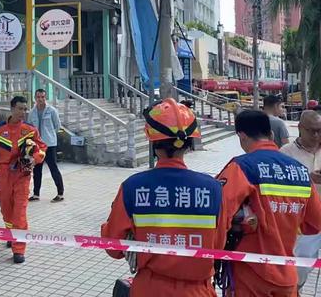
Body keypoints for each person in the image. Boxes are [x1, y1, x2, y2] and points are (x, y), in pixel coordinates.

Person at [101, 98, 227, 297]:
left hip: (149, 289)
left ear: (153, 142)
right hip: (198, 290)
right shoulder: (213, 189)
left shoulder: (133, 187)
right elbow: (218, 245)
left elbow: (113, 248)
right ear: (188, 143)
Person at [217, 110, 321, 296]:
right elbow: (314, 225)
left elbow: (218, 214)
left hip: (249, 274)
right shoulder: (301, 172)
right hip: (287, 275)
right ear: (271, 135)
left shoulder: (241, 167)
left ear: (241, 136)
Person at [0, 95, 46, 264]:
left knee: (19, 211)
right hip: (4, 174)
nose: (23, 112)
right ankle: (10, 234)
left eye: (25, 109)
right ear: (11, 109)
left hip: (22, 174)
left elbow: (41, 147)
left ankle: (19, 249)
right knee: (6, 208)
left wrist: (36, 157)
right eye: (20, 109)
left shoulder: (30, 129)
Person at [281, 110, 321, 290]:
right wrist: (307, 179)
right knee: (301, 264)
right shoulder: (286, 153)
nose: (316, 135)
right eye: (311, 130)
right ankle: (295, 289)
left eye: (320, 130)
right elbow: (279, 186)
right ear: (299, 128)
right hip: (303, 220)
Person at [27, 89, 64, 203]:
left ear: (45, 97)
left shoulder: (52, 111)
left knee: (53, 168)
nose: (40, 99)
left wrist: (49, 136)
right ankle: (36, 194)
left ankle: (60, 193)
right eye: (38, 97)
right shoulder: (32, 113)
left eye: (43, 97)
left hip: (50, 144)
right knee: (37, 169)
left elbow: (57, 126)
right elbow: (29, 128)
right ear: (35, 98)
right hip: (37, 146)